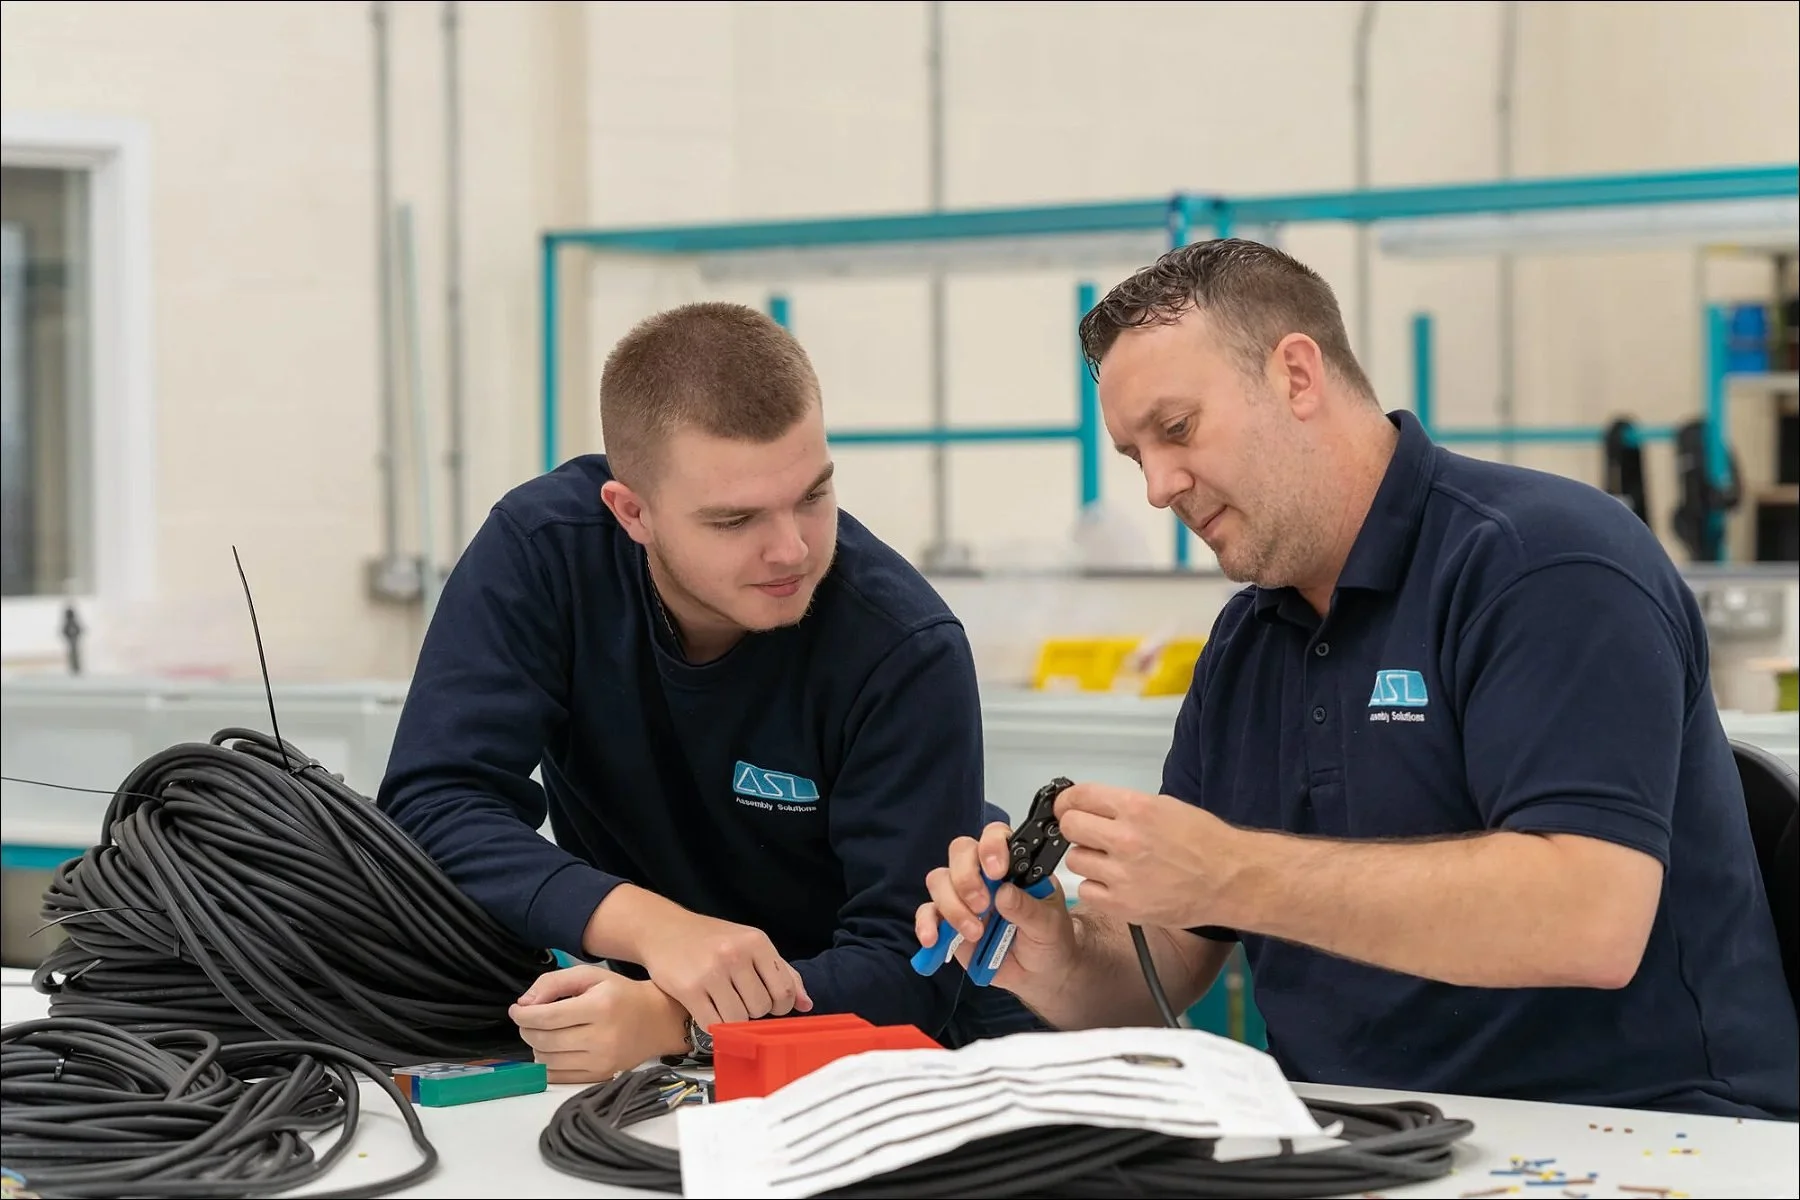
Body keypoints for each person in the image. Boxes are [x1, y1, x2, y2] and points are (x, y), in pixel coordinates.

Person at [915, 238, 1799, 1121]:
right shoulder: (1246, 644)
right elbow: (1163, 975)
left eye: (1177, 430)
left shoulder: (1548, 567)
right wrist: (1053, 953)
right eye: (1133, 453)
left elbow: (1590, 918)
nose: (1157, 488)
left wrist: (1230, 871)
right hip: (1361, 1139)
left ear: (1298, 376)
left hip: (1651, 1135)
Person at [379, 301, 1035, 1083]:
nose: (791, 548)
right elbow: (432, 806)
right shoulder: (544, 555)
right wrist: (656, 929)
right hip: (658, 1044)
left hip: (896, 1055)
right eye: (735, 520)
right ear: (633, 514)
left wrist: (676, 1019)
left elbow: (908, 968)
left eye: (814, 495)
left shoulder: (903, 648)